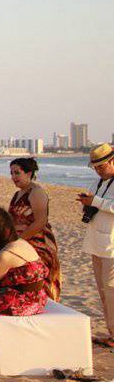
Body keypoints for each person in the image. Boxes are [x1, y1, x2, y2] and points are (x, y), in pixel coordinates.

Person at [9, 158, 61, 301]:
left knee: (42, 283)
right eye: (12, 173)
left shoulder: (36, 192)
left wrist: (19, 240)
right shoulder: (17, 194)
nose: (13, 177)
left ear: (29, 173)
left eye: (17, 173)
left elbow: (41, 221)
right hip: (21, 244)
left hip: (38, 243)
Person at [80, 143, 114, 348]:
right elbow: (95, 202)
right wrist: (88, 202)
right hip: (96, 242)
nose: (98, 171)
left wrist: (96, 202)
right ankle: (111, 332)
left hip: (111, 244)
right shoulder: (98, 183)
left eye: (101, 167)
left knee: (111, 290)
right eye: (96, 168)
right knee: (102, 290)